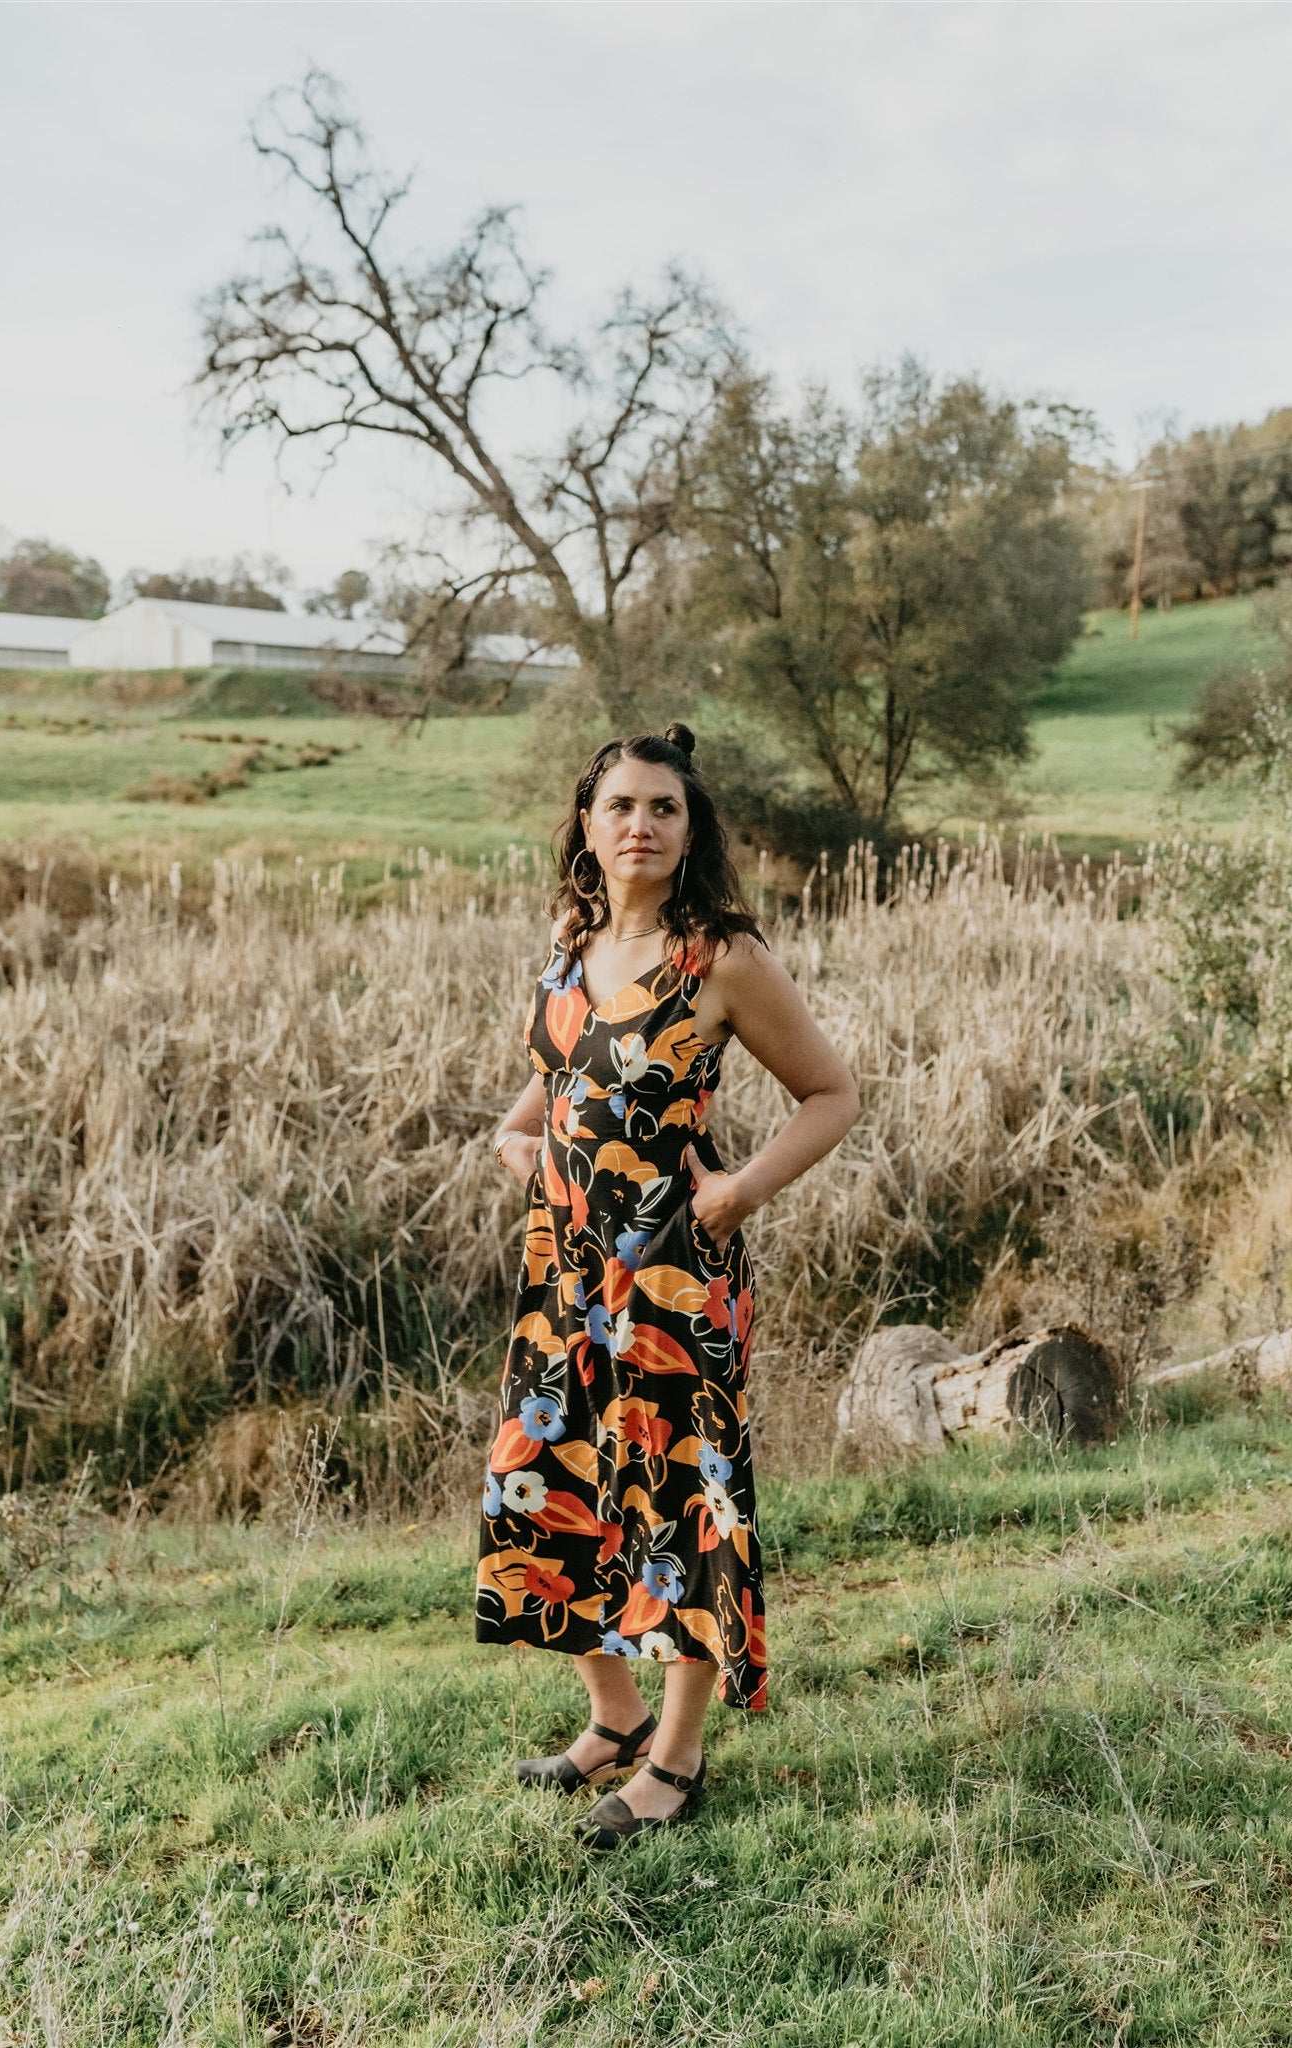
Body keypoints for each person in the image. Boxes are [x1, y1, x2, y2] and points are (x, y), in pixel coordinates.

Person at [475, 721, 860, 1849]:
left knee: (678, 1500)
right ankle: (615, 1720)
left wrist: (739, 1190)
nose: (640, 823)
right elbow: (548, 1087)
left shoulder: (721, 957)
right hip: (562, 1272)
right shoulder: (569, 943)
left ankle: (677, 1761)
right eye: (621, 806)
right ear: (586, 828)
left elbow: (832, 1094)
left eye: (663, 808)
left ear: (691, 833)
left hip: (674, 1276)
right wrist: (514, 1141)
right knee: (538, 1478)